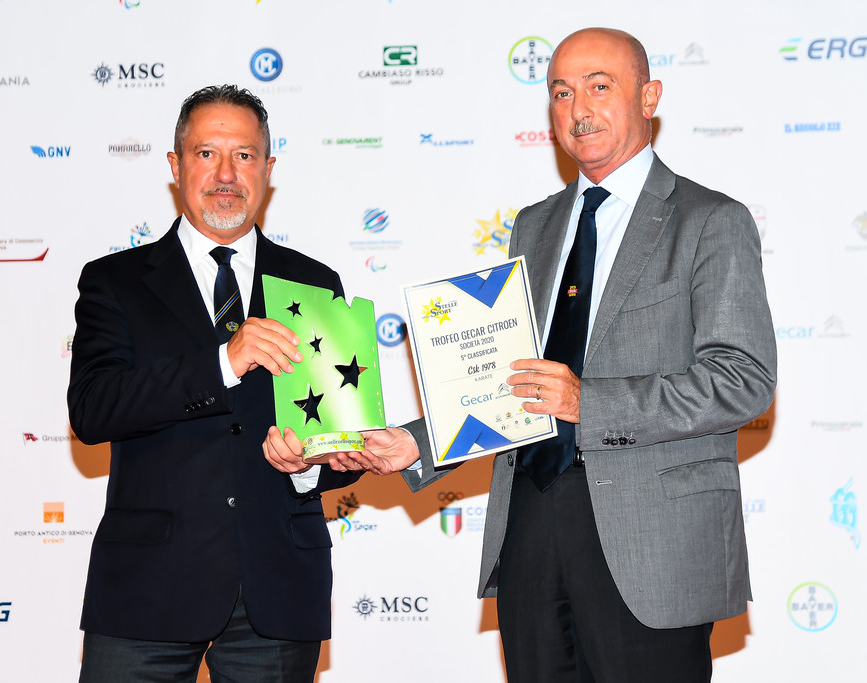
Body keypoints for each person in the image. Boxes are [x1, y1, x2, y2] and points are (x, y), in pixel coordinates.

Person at [290, 27, 777, 682]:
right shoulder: (535, 224)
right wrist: (415, 444)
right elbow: (512, 384)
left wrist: (589, 402)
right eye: (561, 92)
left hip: (651, 541)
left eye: (600, 86)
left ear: (649, 96)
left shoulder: (709, 220)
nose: (579, 109)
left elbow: (743, 379)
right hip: (529, 526)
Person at [68, 84, 362, 682]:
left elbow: (342, 447)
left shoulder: (315, 284)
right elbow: (94, 410)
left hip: (277, 590)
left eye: (244, 155)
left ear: (268, 170)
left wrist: (308, 466)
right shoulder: (113, 281)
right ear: (176, 166)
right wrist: (222, 362)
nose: (226, 174)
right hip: (145, 591)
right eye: (207, 154)